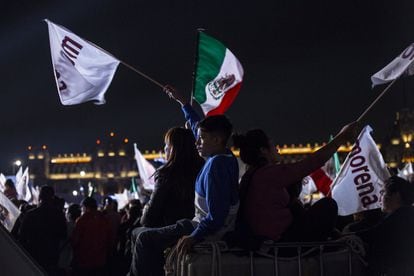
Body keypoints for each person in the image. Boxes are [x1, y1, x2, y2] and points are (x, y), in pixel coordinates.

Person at [128, 86, 239, 276]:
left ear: (217, 139)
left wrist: (193, 237)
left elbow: (216, 216)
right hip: (197, 223)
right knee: (139, 234)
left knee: (144, 238)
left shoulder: (216, 167)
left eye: (202, 138)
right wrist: (183, 103)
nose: (197, 142)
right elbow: (196, 126)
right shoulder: (222, 156)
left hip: (202, 228)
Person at [231, 124, 358, 246]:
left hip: (270, 239)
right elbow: (311, 163)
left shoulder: (253, 174)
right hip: (280, 243)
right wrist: (342, 137)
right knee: (328, 205)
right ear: (263, 150)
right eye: (272, 144)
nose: (277, 149)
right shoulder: (268, 174)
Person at [140, 127, 204, 227]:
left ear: (176, 148)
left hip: (171, 230)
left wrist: (145, 208)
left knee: (136, 233)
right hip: (196, 227)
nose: (165, 148)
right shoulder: (203, 169)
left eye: (167, 144)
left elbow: (148, 218)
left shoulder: (166, 174)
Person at [356, 176, 414, 275]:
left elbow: (373, 234)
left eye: (383, 192)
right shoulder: (406, 214)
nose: (379, 197)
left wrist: (344, 236)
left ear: (396, 195)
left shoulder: (400, 217)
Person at [18, 185, 67, 276]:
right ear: (52, 197)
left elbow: (22, 237)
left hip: (33, 257)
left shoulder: (30, 215)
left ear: (40, 197)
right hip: (51, 257)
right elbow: (63, 235)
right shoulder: (59, 215)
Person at [71, 197, 115, 276]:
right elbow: (110, 239)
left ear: (85, 207)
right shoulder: (104, 219)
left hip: (84, 260)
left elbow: (75, 240)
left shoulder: (81, 220)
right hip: (101, 259)